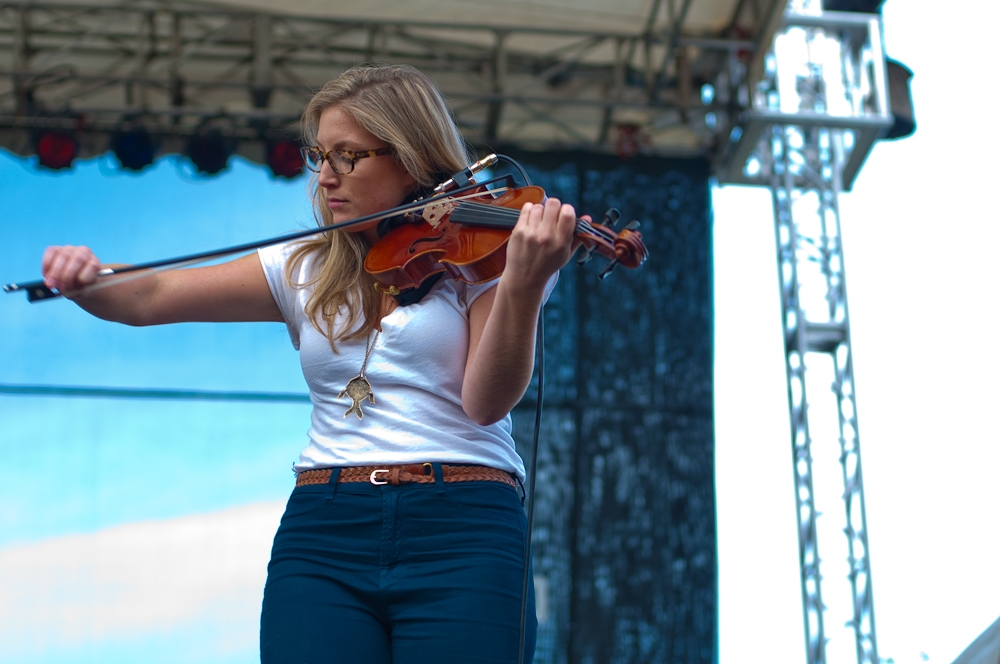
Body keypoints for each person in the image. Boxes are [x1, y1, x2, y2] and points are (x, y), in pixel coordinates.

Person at [40, 63, 582, 663]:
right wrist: (86, 278)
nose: (325, 176)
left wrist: (526, 285)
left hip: (464, 526)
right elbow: (149, 296)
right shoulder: (304, 265)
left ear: (408, 158)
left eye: (348, 156)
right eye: (319, 155)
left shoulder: (483, 256)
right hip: (325, 526)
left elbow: (486, 402)